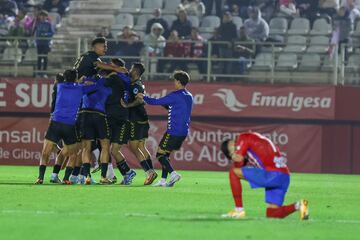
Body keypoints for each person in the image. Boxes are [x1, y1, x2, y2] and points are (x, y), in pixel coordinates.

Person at [220, 131, 309, 220]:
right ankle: (299, 205)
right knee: (272, 214)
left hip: (272, 174)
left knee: (233, 173)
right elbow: (242, 162)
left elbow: (238, 160)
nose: (236, 148)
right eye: (233, 149)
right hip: (284, 176)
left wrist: (232, 156)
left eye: (235, 146)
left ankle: (238, 210)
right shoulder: (253, 140)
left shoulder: (243, 137)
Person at [35, 69, 98, 184]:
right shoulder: (80, 88)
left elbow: (67, 83)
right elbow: (95, 87)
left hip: (55, 123)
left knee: (45, 152)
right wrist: (87, 82)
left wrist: (78, 81)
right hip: (69, 125)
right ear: (75, 78)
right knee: (73, 154)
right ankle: (66, 178)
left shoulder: (60, 86)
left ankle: (40, 177)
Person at [137, 70, 193, 187]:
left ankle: (173, 174)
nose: (174, 82)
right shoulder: (189, 96)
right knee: (166, 155)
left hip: (173, 131)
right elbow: (178, 109)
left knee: (160, 155)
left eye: (175, 80)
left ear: (178, 81)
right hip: (183, 131)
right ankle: (163, 181)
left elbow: (156, 102)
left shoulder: (175, 95)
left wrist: (143, 97)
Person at [121, 63, 158, 185]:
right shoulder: (137, 83)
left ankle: (149, 172)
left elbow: (139, 100)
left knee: (133, 147)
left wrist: (127, 105)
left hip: (136, 119)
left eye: (131, 69)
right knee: (142, 147)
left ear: (136, 72)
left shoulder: (136, 85)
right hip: (143, 118)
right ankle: (151, 171)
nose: (130, 71)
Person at [103, 58, 137, 185]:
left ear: (117, 67)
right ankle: (122, 173)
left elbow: (101, 83)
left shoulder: (117, 78)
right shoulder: (122, 78)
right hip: (113, 116)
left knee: (113, 150)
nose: (108, 66)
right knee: (108, 149)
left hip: (121, 119)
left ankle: (126, 173)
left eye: (111, 65)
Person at [34, 10, 54, 78]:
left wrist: (45, 34)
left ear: (46, 17)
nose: (42, 17)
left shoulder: (49, 24)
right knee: (39, 57)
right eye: (41, 15)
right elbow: (35, 33)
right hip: (39, 43)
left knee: (45, 58)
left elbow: (52, 33)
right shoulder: (37, 23)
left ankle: (44, 73)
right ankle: (39, 73)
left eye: (44, 16)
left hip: (46, 43)